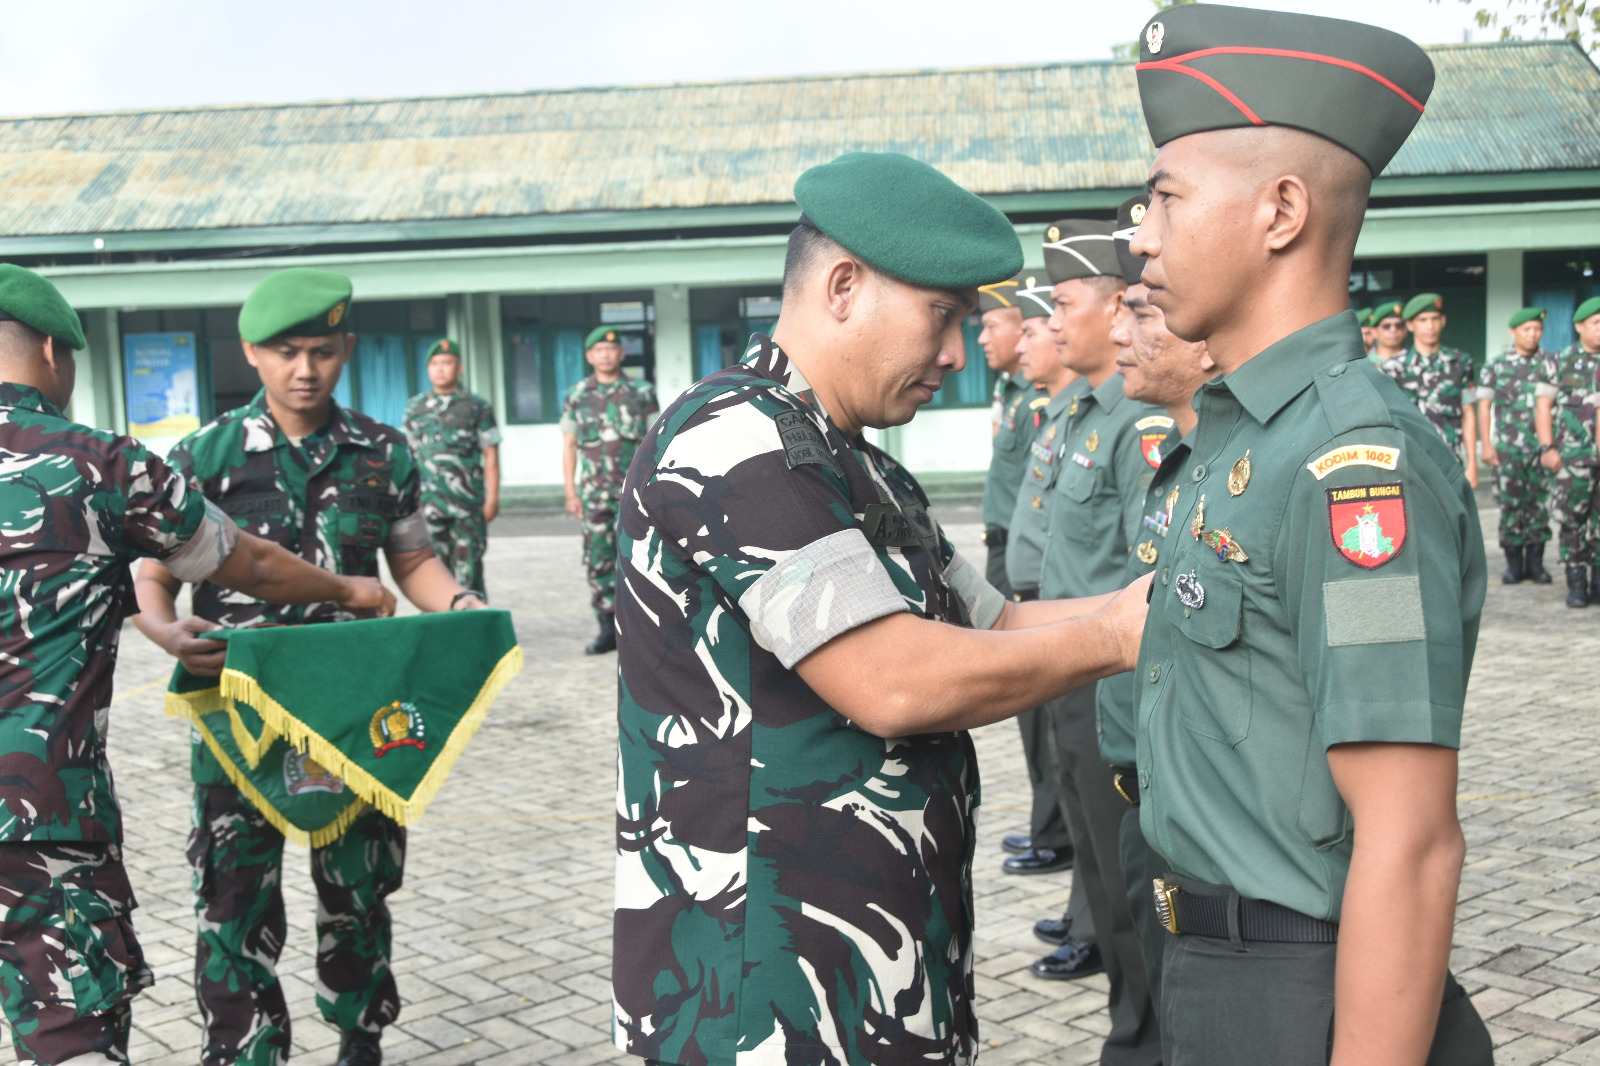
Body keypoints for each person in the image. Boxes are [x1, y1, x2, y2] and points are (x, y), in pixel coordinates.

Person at [611, 151, 1151, 1066]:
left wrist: (1165, 593)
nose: (955, 354)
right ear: (843, 286)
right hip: (764, 986)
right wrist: (1117, 636)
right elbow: (893, 681)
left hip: (873, 958)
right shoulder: (735, 440)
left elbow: (994, 628)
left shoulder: (859, 463)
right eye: (942, 317)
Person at [1130, 5, 1493, 1063]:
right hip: (1213, 970)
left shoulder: (1353, 471)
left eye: (1165, 198)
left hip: (1299, 995)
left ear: (1279, 211)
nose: (1142, 235)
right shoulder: (1242, 438)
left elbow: (1410, 837)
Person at [0, 264, 393, 1066]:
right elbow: (247, 562)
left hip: (327, 724)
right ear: (49, 349)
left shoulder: (382, 450)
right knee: (69, 1034)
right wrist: (349, 588)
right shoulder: (102, 465)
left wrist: (162, 625)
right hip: (38, 823)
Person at [133, 268, 484, 1066]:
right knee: (231, 896)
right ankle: (245, 1047)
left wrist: (462, 609)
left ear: (346, 350)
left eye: (322, 351)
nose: (305, 369)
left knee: (359, 891)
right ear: (251, 353)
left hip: (352, 714)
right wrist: (160, 630)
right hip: (237, 718)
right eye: (286, 352)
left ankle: (361, 1032)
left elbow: (415, 560)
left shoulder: (384, 453)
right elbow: (156, 572)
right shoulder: (205, 456)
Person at [1027, 215, 1167, 1066]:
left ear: (1118, 303)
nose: (1057, 318)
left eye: (1066, 301)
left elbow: (1140, 571)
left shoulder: (1134, 420)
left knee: (1129, 884)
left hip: (1110, 676)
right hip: (1068, 664)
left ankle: (1146, 1036)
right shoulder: (1081, 408)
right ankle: (1132, 1025)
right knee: (1099, 872)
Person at [1102, 194, 1217, 1032]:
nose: (1120, 333)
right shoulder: (1176, 463)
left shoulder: (1236, 468)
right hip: (1151, 800)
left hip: (1209, 831)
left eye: (1143, 312)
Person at [979, 274, 1074, 868]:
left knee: (1047, 715)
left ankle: (1054, 828)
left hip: (1031, 562)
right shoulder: (1016, 391)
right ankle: (1049, 823)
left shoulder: (1042, 401)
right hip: (1007, 549)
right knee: (1034, 719)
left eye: (992, 324)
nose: (984, 337)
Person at [999, 278, 1087, 908]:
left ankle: (1061, 849)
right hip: (1039, 600)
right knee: (1055, 752)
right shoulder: (1048, 409)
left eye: (1052, 317)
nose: (1047, 332)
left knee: (1084, 773)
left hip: (1079, 613)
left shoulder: (1108, 419)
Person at [559, 327, 659, 654]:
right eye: (598, 349)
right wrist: (570, 492)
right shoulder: (577, 395)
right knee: (598, 560)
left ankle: (642, 629)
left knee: (641, 557)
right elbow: (570, 445)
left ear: (621, 354)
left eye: (611, 349)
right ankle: (606, 627)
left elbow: (654, 443)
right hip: (593, 495)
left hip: (634, 494)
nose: (605, 354)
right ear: (589, 356)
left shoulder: (641, 392)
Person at [402, 337, 501, 595]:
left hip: (466, 506)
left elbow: (490, 454)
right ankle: (441, 631)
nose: (440, 369)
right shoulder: (415, 407)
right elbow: (408, 456)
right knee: (433, 573)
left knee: (470, 572)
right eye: (434, 363)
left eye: (447, 362)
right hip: (428, 504)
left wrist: (492, 499)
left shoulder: (477, 406)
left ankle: (475, 631)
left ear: (460, 368)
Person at [1478, 307, 1556, 585]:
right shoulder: (1496, 365)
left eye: (1537, 329)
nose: (1532, 334)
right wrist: (1486, 445)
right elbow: (1484, 406)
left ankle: (1536, 564)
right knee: (1510, 506)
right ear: (1513, 332)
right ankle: (1513, 564)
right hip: (1508, 449)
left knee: (1539, 506)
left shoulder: (1551, 363)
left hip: (1542, 449)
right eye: (1526, 329)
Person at [1535, 296, 1600, 605]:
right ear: (1579, 327)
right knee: (1572, 521)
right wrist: (1547, 447)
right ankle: (1576, 584)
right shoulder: (1560, 361)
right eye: (1596, 323)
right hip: (1572, 459)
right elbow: (1543, 406)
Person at [1378, 293, 1479, 487]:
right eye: (1423, 320)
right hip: (1409, 463)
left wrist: (1472, 463)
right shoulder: (1392, 368)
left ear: (1443, 321)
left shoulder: (1461, 362)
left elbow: (1468, 413)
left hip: (1451, 461)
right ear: (1410, 325)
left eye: (1434, 319)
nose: (1430, 326)